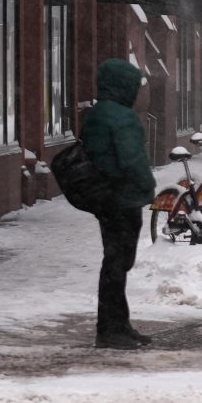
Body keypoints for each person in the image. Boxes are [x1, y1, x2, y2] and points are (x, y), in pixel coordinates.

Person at [79, 59, 157, 350]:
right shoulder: (122, 117)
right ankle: (111, 329)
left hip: (105, 198)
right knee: (118, 264)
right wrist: (148, 187)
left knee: (113, 262)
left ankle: (117, 325)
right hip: (123, 199)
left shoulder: (96, 113)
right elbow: (132, 159)